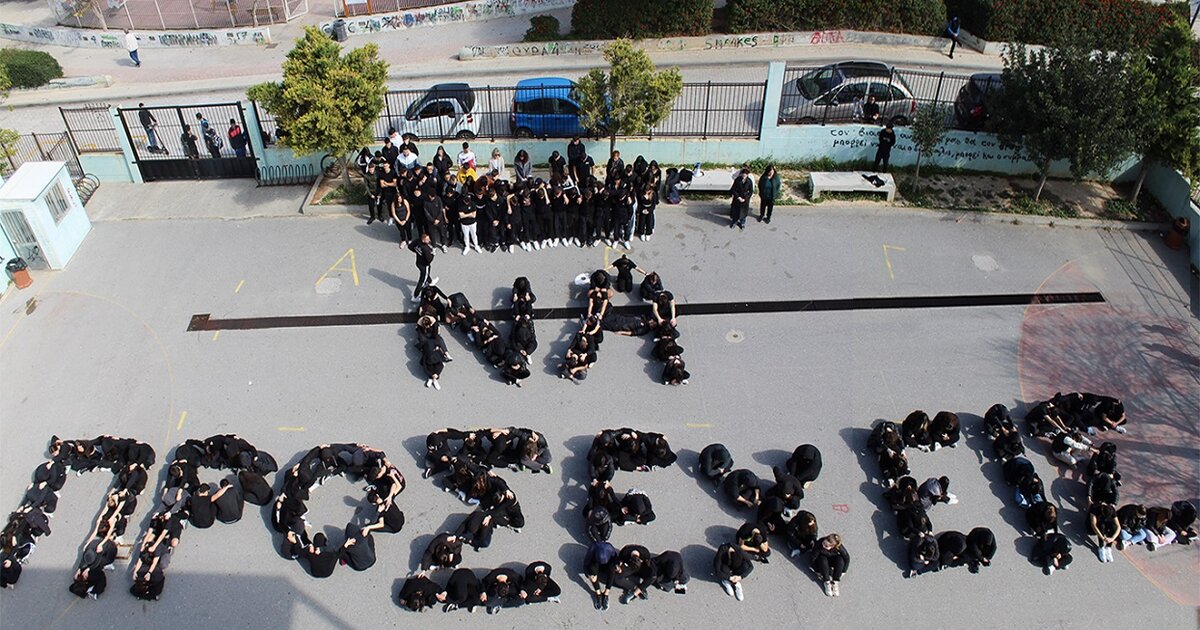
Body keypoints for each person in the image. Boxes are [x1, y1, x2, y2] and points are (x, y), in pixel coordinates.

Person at [409, 233, 437, 302]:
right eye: (427, 239)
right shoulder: (425, 249)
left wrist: (416, 252)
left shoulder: (417, 241)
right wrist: (433, 254)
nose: (429, 240)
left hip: (418, 262)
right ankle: (415, 296)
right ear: (423, 240)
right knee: (422, 281)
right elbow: (429, 259)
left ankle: (430, 281)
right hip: (424, 265)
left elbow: (410, 246)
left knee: (425, 274)